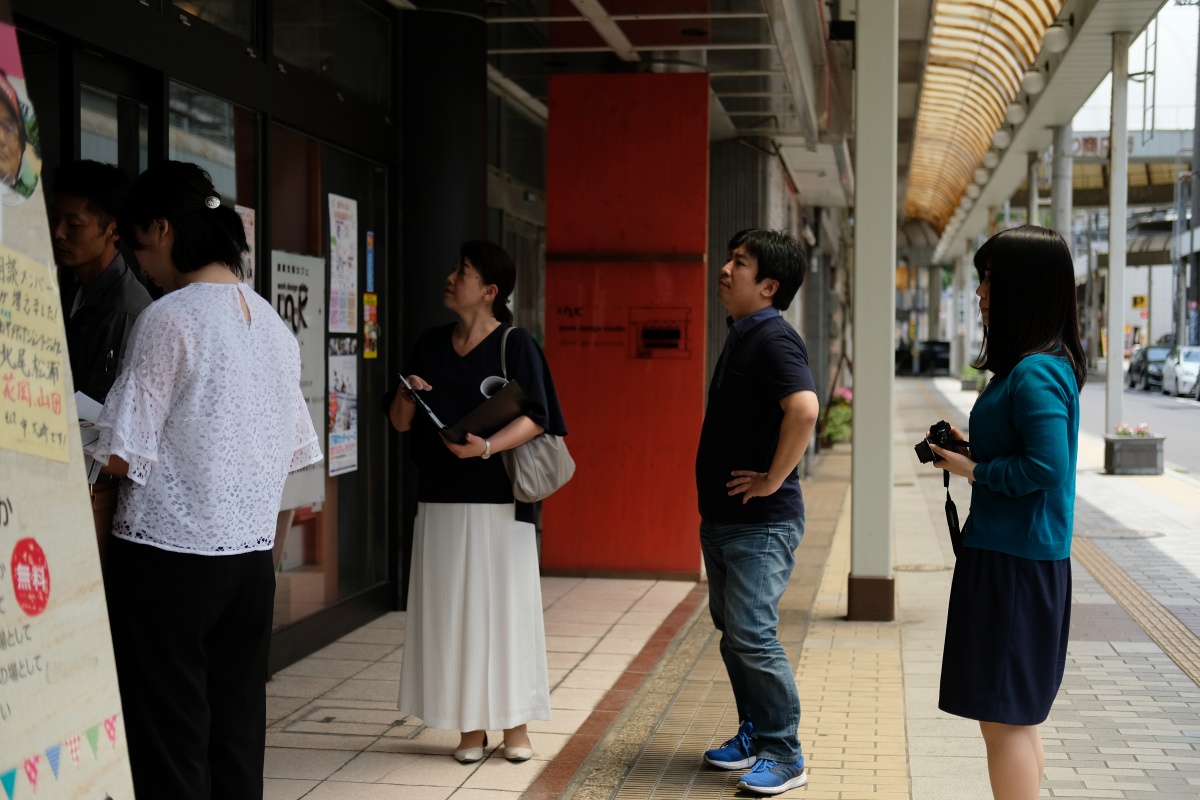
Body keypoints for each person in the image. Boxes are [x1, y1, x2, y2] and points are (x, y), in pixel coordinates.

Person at [92, 160, 322, 800]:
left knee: (170, 739)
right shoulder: (272, 325)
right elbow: (294, 449)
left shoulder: (169, 319)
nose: (144, 267)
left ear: (162, 230)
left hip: (167, 559)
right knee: (238, 734)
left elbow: (121, 452)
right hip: (248, 562)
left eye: (139, 248)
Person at [385, 240, 566, 763]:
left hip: (500, 501)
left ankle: (515, 726)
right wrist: (405, 394)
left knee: (505, 611)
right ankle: (469, 728)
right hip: (439, 499)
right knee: (452, 613)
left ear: (489, 291)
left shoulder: (516, 343)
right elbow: (401, 421)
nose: (450, 277)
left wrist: (486, 446)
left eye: (461, 271)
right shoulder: (430, 343)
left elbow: (540, 416)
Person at [926, 225, 1083, 800]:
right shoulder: (1036, 365)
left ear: (1024, 287)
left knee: (1005, 719)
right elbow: (1032, 453)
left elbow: (1046, 469)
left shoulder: (1036, 371)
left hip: (1015, 563)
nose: (980, 292)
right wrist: (976, 449)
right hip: (1016, 557)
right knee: (1013, 717)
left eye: (990, 279)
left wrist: (976, 471)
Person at [696, 229, 820, 796]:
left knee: (752, 633)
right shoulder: (745, 333)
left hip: (760, 524)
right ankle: (754, 734)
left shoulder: (772, 338)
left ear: (768, 286)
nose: (725, 269)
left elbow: (805, 409)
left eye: (739, 263)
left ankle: (784, 752)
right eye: (730, 258)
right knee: (734, 634)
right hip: (726, 520)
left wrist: (773, 478)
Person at [52, 160, 152, 404]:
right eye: (56, 219)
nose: (58, 233)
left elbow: (105, 410)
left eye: (74, 225)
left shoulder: (124, 311)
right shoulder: (69, 295)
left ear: (114, 231)